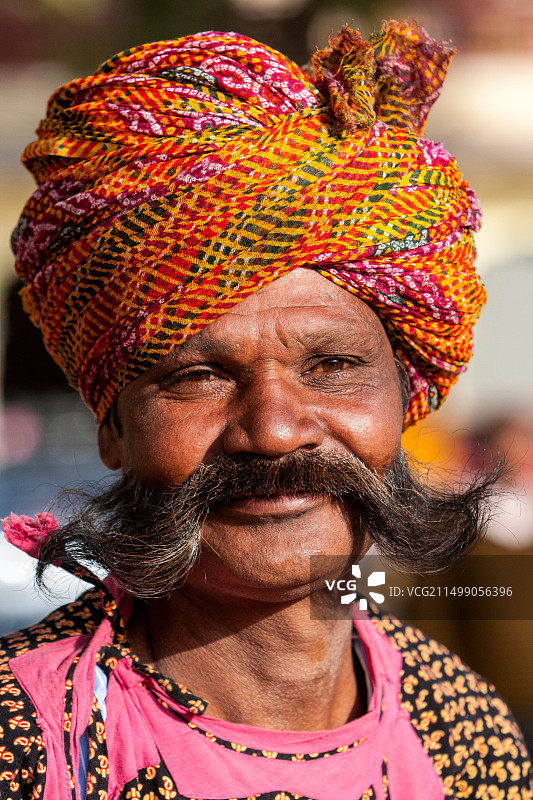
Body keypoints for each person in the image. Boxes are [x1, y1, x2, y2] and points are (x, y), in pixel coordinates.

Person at [1, 21, 531, 800]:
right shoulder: (30, 743)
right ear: (112, 426)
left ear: (404, 395)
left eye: (333, 366)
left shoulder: (462, 730)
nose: (275, 429)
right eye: (199, 376)